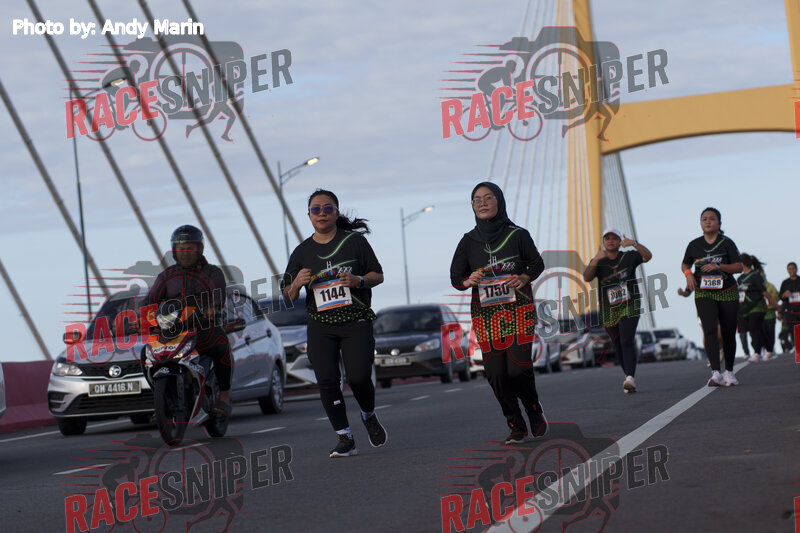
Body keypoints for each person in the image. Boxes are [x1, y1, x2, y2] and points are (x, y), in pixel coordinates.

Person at [282, 189, 386, 458]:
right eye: (315, 209)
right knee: (327, 381)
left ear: (336, 213)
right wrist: (296, 283)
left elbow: (378, 275)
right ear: (308, 215)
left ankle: (368, 415)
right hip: (321, 324)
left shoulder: (354, 243)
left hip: (355, 320)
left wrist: (358, 281)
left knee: (359, 378)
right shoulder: (302, 252)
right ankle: (345, 438)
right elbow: (287, 295)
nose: (322, 213)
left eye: (327, 208)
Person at [450, 182, 547, 445]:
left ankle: (533, 408)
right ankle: (515, 424)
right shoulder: (468, 241)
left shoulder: (518, 235)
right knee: (496, 374)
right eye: (477, 199)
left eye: (488, 197)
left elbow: (537, 264)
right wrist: (468, 280)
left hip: (519, 312)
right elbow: (456, 278)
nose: (482, 203)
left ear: (499, 201)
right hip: (486, 317)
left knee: (517, 370)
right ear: (472, 206)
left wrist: (524, 277)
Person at [143, 225, 233, 414]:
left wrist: (213, 308)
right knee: (145, 353)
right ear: (174, 250)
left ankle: (224, 395)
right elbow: (149, 301)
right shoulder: (166, 276)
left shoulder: (213, 273)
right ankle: (162, 399)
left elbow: (218, 295)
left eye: (190, 248)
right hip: (171, 331)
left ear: (200, 249)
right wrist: (140, 317)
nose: (185, 252)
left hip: (203, 327)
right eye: (181, 248)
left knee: (221, 344)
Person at [584, 229, 652, 393]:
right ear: (603, 242)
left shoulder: (629, 256)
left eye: (614, 238)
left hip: (630, 305)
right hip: (609, 309)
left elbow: (647, 256)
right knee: (618, 344)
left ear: (619, 241)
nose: (611, 241)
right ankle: (628, 377)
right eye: (607, 238)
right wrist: (595, 259)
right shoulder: (599, 260)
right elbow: (587, 277)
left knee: (626, 340)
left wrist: (634, 243)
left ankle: (630, 378)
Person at [681, 207, 743, 387]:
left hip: (727, 291)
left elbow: (739, 267)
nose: (708, 221)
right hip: (704, 292)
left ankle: (729, 371)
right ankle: (716, 373)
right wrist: (688, 274)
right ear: (701, 223)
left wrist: (719, 266)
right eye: (704, 219)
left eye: (712, 219)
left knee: (728, 332)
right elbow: (685, 263)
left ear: (719, 223)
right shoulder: (694, 245)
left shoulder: (727, 243)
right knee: (709, 330)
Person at [737, 254, 779, 363]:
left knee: (753, 329)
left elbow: (765, 293)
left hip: (758, 307)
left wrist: (776, 306)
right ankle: (769, 350)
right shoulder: (740, 279)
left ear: (743, 263)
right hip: (745, 309)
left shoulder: (755, 276)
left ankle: (757, 353)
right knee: (759, 330)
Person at [779, 262, 800, 353]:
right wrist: (785, 294)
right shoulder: (785, 283)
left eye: (793, 268)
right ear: (787, 271)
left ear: (796, 269)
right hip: (790, 309)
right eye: (790, 269)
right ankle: (795, 346)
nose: (792, 270)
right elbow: (781, 296)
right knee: (792, 329)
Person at [760, 267, 780, 359]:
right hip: (759, 314)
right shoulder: (754, 286)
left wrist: (770, 299)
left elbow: (776, 297)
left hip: (770, 313)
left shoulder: (770, 286)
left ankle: (770, 350)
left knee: (771, 332)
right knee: (761, 333)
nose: (761, 275)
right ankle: (764, 350)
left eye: (762, 274)